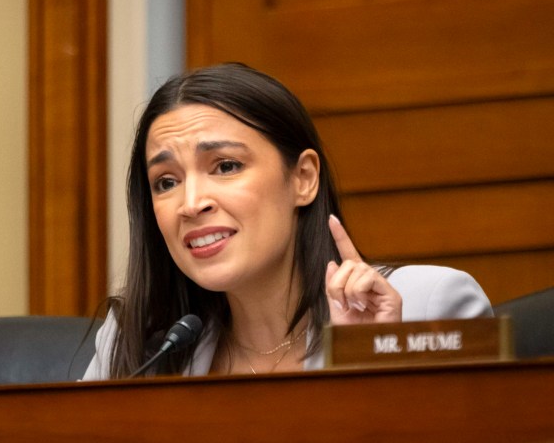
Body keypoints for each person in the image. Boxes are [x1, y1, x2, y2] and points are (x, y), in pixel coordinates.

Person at [83, 63, 492, 380]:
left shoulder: (431, 306)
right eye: (166, 181)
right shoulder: (139, 342)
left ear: (303, 179)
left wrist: (369, 365)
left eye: (226, 166)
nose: (191, 204)